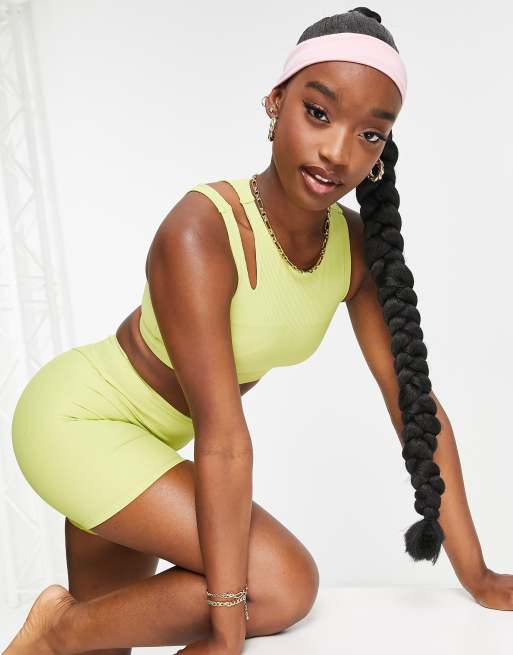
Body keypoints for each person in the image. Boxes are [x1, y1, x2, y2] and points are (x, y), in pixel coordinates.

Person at [4, 7, 513, 655]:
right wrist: (227, 631)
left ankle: (63, 633)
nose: (337, 152)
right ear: (275, 103)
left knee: (104, 650)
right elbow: (223, 440)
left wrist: (476, 575)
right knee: (281, 584)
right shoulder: (202, 230)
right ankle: (57, 628)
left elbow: (413, 407)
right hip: (78, 424)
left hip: (152, 450)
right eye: (318, 113)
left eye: (369, 134)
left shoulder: (354, 250)